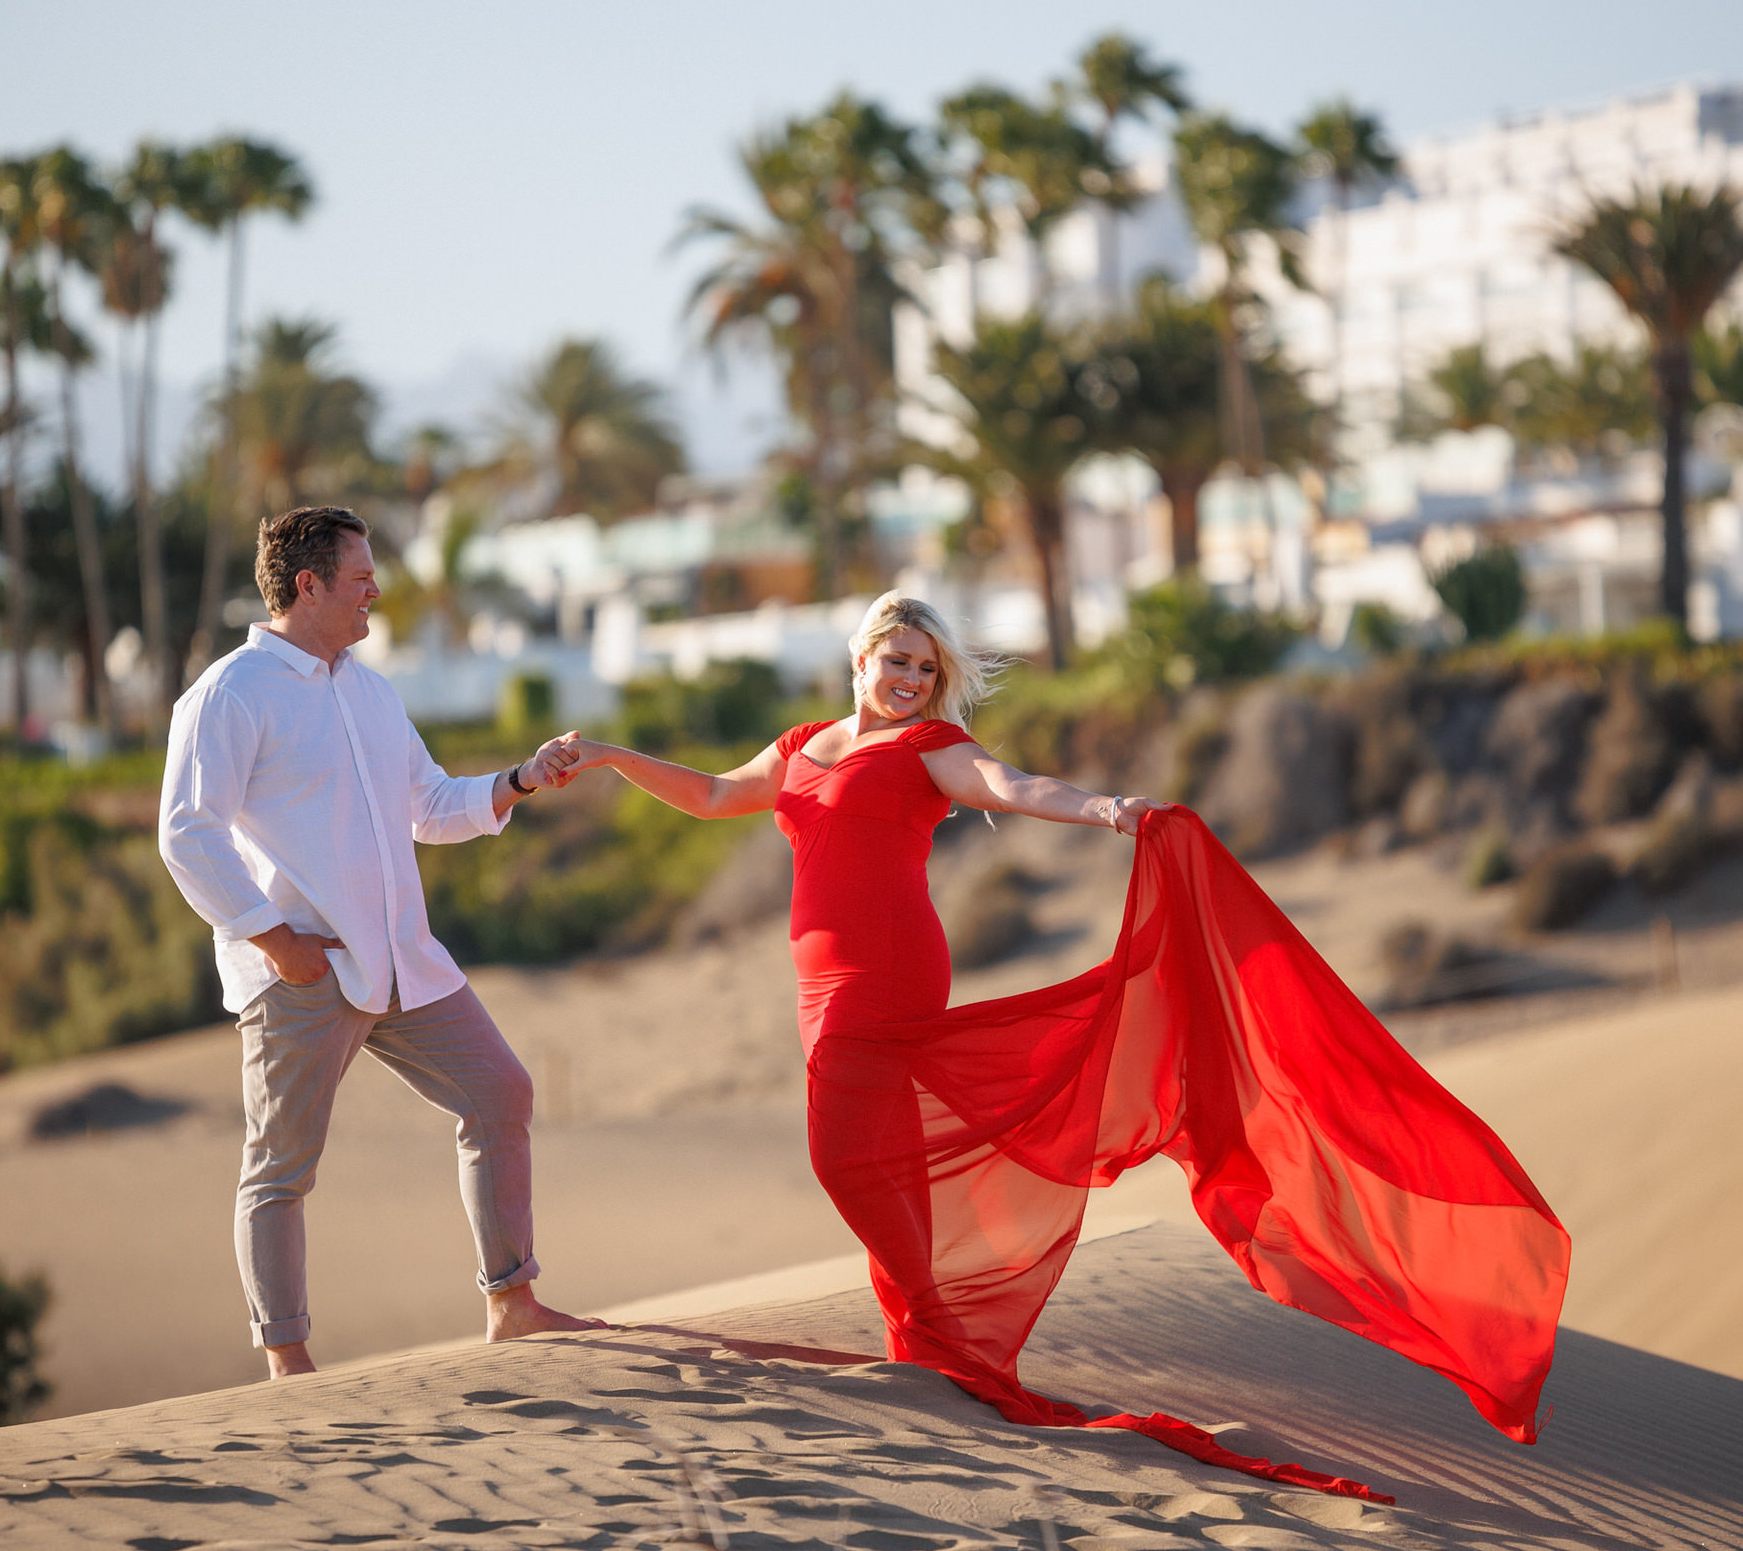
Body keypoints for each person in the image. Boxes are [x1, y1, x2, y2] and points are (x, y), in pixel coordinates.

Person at [542, 591, 1570, 1497]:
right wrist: (613, 757)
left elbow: (1013, 785)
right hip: (817, 989)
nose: (909, 679)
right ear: (859, 656)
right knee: (879, 1158)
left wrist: (1110, 810)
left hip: (883, 977)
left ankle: (935, 1340)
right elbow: (713, 795)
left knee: (841, 1155)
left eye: (925, 668)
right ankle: (926, 1345)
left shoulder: (927, 749)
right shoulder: (805, 743)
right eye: (896, 660)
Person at [158, 504, 594, 1379]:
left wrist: (518, 779)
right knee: (281, 1168)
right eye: (361, 578)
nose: (375, 592)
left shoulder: (369, 688)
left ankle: (512, 1304)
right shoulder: (230, 693)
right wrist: (276, 942)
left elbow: (428, 806)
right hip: (304, 971)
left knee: (500, 1092)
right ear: (309, 585)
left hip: (402, 959)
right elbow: (186, 834)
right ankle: (288, 1364)